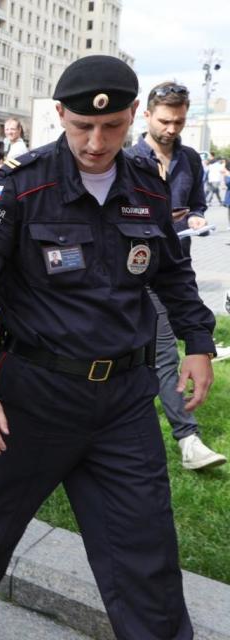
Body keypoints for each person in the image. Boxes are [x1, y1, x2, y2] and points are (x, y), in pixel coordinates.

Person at [0, 55, 216, 640]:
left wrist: (197, 341)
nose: (95, 141)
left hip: (124, 401)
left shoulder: (147, 187)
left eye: (111, 127)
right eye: (82, 127)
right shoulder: (17, 186)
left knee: (146, 542)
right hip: (33, 396)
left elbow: (173, 273)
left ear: (132, 116)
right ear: (59, 115)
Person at [126, 81, 226, 471]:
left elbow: (197, 202)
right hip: (138, 269)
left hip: (177, 268)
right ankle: (187, 438)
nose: (171, 129)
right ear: (147, 115)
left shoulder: (189, 159)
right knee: (164, 353)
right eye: (165, 121)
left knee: (154, 354)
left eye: (179, 122)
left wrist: (197, 215)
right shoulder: (128, 159)